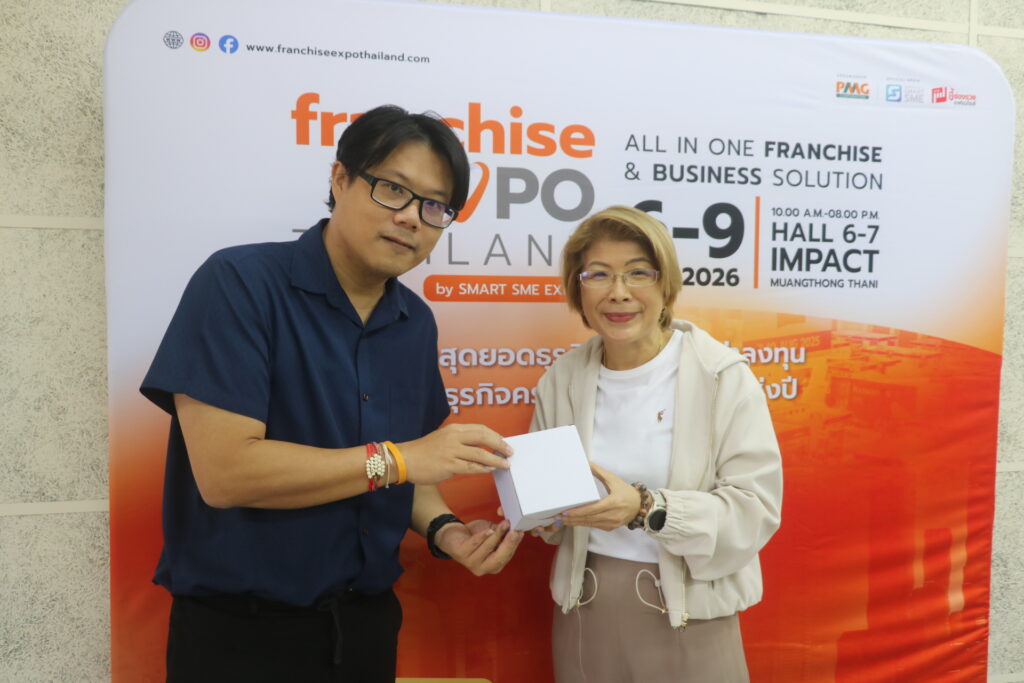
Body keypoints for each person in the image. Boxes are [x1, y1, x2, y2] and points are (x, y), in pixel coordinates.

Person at [141, 104, 523, 683]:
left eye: (434, 205)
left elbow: (410, 470)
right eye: (393, 189)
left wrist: (446, 530)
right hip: (242, 638)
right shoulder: (240, 283)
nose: (411, 218)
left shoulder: (414, 321)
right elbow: (226, 473)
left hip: (366, 629)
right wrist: (399, 460)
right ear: (340, 179)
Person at [529, 205, 783, 682]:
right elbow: (554, 521)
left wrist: (647, 508)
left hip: (692, 614)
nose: (618, 292)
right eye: (598, 274)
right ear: (578, 288)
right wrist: (534, 513)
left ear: (666, 285)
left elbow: (755, 512)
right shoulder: (561, 380)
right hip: (584, 610)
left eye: (638, 273)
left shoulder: (721, 377)